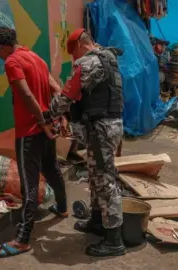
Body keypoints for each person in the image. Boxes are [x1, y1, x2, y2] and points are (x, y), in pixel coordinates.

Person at [0, 26, 68, 258]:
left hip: (30, 131)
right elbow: (56, 89)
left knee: (29, 184)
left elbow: (26, 95)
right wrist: (58, 116)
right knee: (52, 169)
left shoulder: (12, 62)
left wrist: (40, 122)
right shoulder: (36, 57)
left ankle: (22, 239)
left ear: (1, 47)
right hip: (46, 126)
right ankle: (62, 208)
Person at [49, 28, 125, 257]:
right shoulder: (109, 58)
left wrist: (50, 112)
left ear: (81, 45)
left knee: (105, 181)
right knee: (95, 174)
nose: (75, 59)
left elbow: (67, 95)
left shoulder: (90, 62)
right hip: (104, 126)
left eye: (74, 53)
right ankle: (97, 220)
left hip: (102, 128)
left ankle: (114, 241)